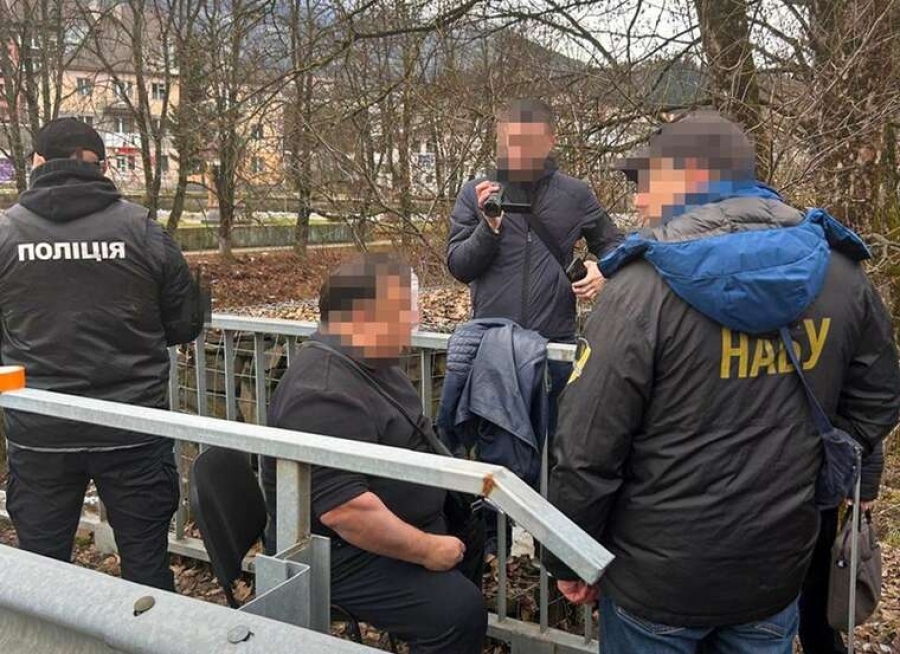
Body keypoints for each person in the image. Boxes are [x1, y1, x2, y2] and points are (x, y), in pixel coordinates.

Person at [545, 110, 900, 654]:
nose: (639, 200)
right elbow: (877, 399)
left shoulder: (639, 290)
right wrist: (813, 474)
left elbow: (586, 448)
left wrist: (571, 556)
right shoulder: (840, 275)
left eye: (649, 181)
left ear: (694, 178)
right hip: (773, 571)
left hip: (657, 583)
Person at [1, 117, 205, 591]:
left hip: (41, 429)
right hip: (131, 426)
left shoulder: (6, 234)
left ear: (36, 162)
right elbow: (184, 324)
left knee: (42, 572)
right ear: (104, 166)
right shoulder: (142, 229)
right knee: (146, 567)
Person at [262, 256, 487, 654]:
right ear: (362, 316)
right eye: (404, 311)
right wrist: (428, 548)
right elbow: (346, 513)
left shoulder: (371, 363)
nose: (414, 322)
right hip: (339, 552)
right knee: (457, 612)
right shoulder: (321, 392)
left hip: (387, 529)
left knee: (473, 530)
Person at [446, 98, 622, 433]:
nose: (518, 151)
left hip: (554, 348)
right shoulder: (477, 193)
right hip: (494, 351)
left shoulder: (575, 194)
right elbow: (459, 266)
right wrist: (489, 227)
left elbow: (615, 245)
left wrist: (604, 270)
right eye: (511, 141)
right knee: (499, 453)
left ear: (550, 141)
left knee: (556, 447)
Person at [799, 440, 884, 654]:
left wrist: (865, 482)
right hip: (757, 493)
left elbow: (865, 422)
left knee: (816, 584)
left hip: (818, 491)